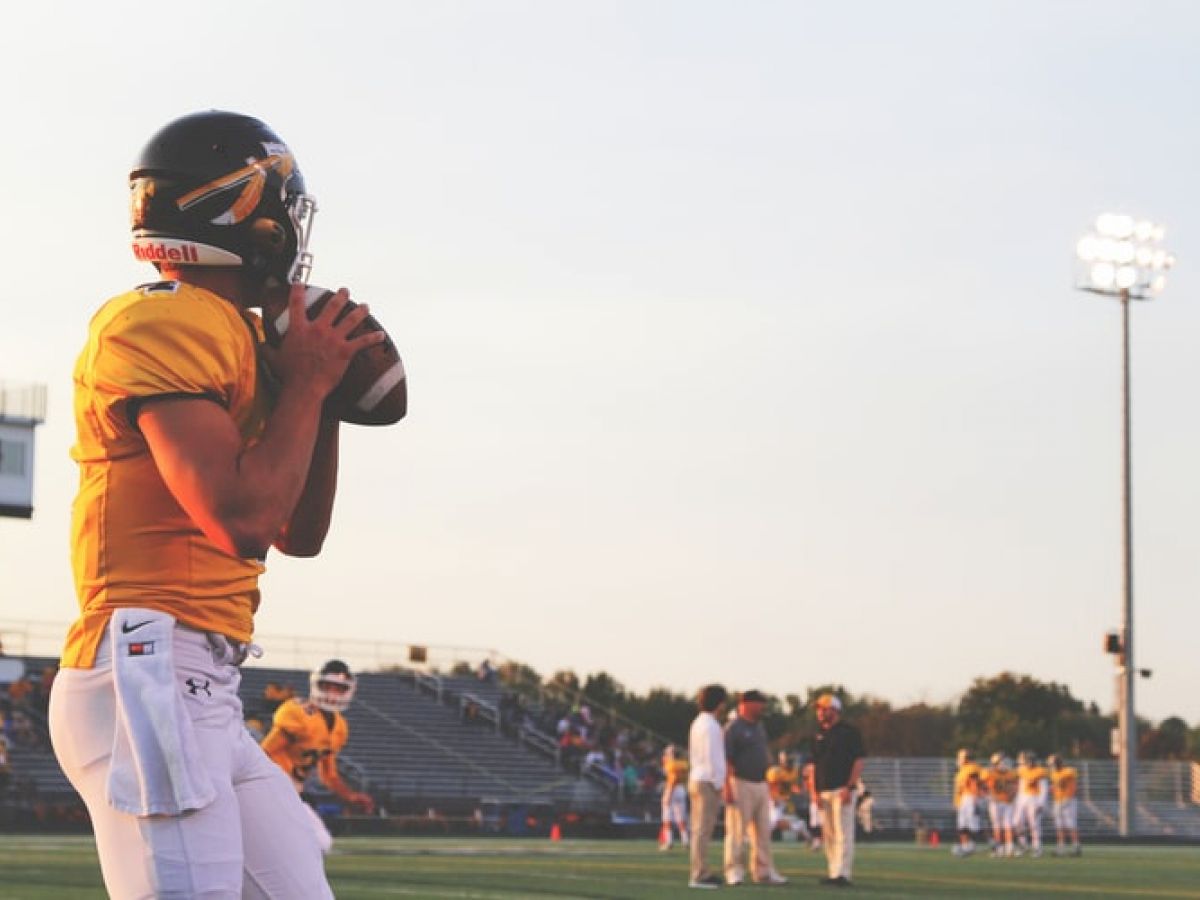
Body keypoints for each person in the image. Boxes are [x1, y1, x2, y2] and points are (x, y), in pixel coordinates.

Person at [48, 109, 390, 899]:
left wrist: (323, 396)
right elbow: (237, 521)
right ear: (246, 213)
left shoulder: (234, 335)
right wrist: (303, 382)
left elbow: (296, 530)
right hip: (149, 666)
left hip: (202, 678)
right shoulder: (162, 318)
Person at [261, 659, 375, 852]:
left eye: (339, 688)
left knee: (321, 842)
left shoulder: (339, 726)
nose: (332, 693)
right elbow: (263, 751)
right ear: (316, 685)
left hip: (291, 792)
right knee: (314, 842)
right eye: (327, 686)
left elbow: (328, 775)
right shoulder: (299, 712)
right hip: (270, 786)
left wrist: (350, 796)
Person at [722, 690, 787, 885]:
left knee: (763, 832)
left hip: (761, 783)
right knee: (737, 831)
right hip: (740, 782)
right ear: (747, 704)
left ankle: (763, 871)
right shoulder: (733, 728)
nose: (763, 707)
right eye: (760, 703)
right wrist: (727, 786)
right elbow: (727, 759)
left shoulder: (759, 727)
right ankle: (734, 870)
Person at [808, 693, 865, 887]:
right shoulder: (818, 734)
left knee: (843, 832)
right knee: (829, 834)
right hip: (823, 790)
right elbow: (814, 765)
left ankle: (843, 873)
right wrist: (813, 791)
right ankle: (833, 871)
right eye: (819, 709)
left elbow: (858, 761)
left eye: (824, 708)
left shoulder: (849, 732)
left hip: (842, 788)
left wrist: (849, 786)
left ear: (835, 710)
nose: (820, 712)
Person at [687, 684, 728, 889]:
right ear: (719, 703)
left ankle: (700, 870)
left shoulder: (698, 723)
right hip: (707, 781)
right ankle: (700, 873)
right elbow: (715, 758)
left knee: (698, 829)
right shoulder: (712, 725)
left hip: (696, 777)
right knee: (703, 829)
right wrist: (720, 784)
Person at [1013, 751, 1049, 857]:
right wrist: (1017, 800)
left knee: (1034, 825)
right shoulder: (1021, 770)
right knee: (1017, 822)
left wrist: (1041, 803)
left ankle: (1037, 847)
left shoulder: (1040, 771)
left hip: (1034, 799)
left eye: (1029, 761)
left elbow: (1044, 788)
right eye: (1026, 761)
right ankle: (1023, 845)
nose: (1028, 763)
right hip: (1022, 798)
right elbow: (1021, 787)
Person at [983, 752, 1018, 857]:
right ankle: (999, 847)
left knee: (1007, 825)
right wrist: (988, 796)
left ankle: (1009, 847)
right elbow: (983, 786)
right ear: (995, 763)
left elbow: (1015, 787)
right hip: (995, 802)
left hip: (1007, 802)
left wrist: (1012, 795)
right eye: (1000, 761)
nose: (1003, 763)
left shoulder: (1011, 773)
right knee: (997, 826)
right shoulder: (989, 773)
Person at [1047, 754, 1081, 856]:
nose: (1051, 766)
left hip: (1068, 800)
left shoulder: (1068, 771)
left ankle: (1076, 847)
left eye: (1052, 764)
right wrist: (1052, 789)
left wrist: (1068, 799)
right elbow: (1056, 786)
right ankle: (1061, 847)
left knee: (1071, 825)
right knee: (1059, 826)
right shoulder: (1053, 774)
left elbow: (1074, 786)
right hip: (1058, 801)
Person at [952, 748, 983, 857]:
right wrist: (956, 802)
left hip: (970, 797)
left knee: (974, 825)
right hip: (963, 799)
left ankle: (989, 843)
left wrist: (975, 798)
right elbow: (958, 789)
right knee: (962, 825)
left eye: (961, 757)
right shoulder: (961, 770)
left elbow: (974, 783)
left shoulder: (972, 767)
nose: (959, 759)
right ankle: (966, 846)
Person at [659, 744, 690, 850]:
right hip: (682, 789)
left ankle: (669, 841)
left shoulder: (671, 765)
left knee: (667, 817)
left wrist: (668, 793)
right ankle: (685, 840)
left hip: (672, 788)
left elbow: (673, 779)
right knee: (681, 817)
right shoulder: (684, 763)